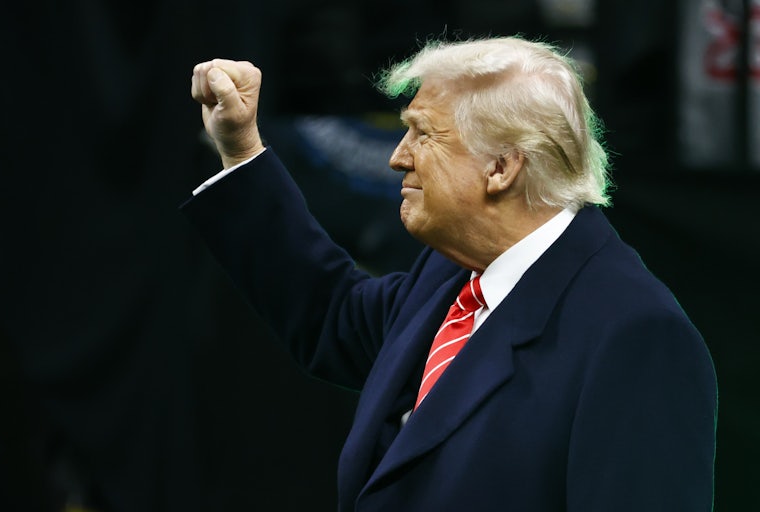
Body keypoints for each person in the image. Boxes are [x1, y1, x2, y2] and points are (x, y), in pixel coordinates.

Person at [182, 36, 717, 511]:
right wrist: (241, 149)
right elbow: (333, 314)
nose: (397, 157)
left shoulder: (638, 334)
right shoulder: (449, 274)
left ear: (501, 167)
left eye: (421, 134)